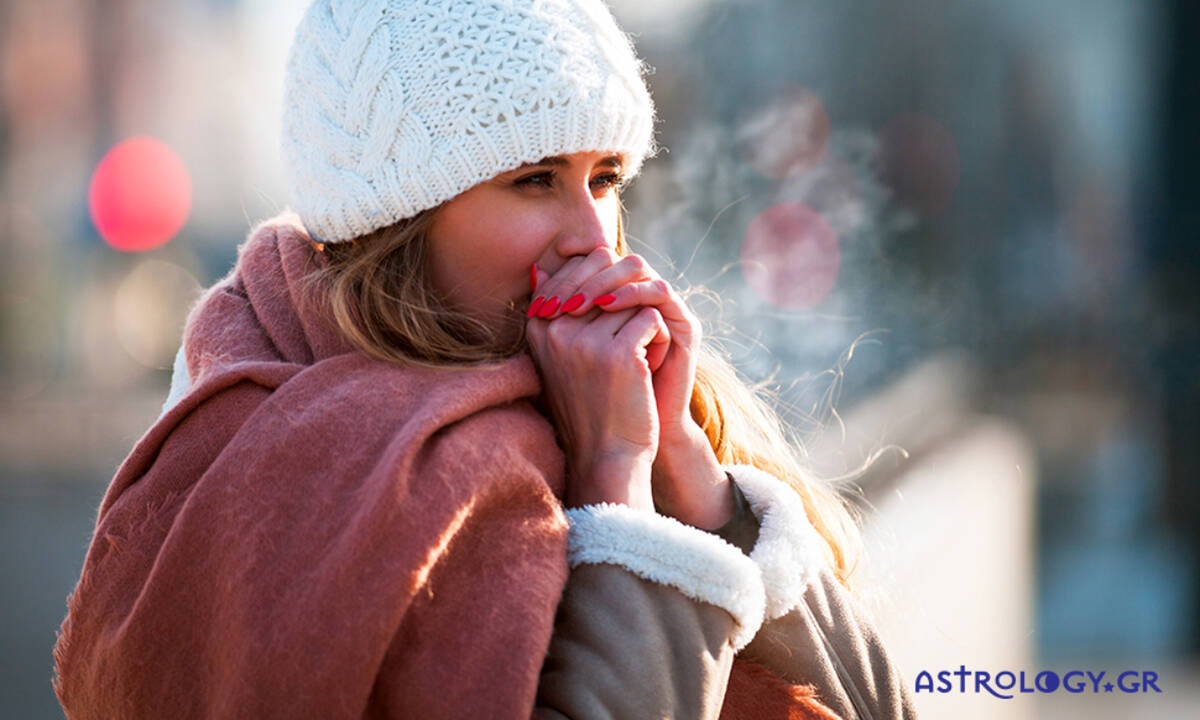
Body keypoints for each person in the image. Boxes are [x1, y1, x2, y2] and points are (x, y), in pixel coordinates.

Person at [54, 1, 917, 718]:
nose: (592, 237)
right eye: (536, 179)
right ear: (401, 220)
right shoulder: (281, 445)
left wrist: (695, 482)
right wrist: (616, 482)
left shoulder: (628, 399)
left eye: (606, 177)